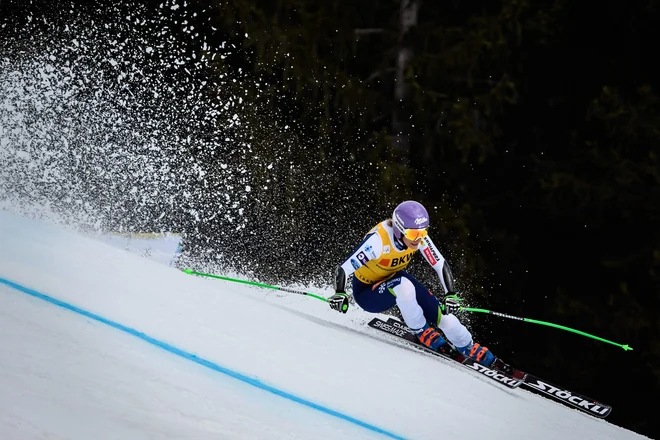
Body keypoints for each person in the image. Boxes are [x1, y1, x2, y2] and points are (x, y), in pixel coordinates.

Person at [328, 200, 502, 368]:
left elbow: (439, 264)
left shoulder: (417, 237)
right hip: (368, 292)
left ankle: (468, 345)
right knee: (404, 284)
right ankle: (421, 330)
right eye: (413, 234)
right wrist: (340, 293)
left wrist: (451, 295)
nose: (418, 239)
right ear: (399, 230)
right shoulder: (378, 241)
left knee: (443, 313)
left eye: (423, 233)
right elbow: (343, 269)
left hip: (395, 279)